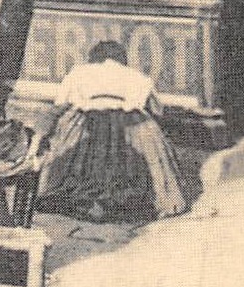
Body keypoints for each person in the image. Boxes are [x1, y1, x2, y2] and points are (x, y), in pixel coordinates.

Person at [33, 41, 191, 222]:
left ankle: (90, 198)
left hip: (89, 122)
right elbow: (157, 111)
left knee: (75, 151)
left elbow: (58, 107)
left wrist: (41, 137)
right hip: (132, 125)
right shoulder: (138, 77)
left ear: (93, 59)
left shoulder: (79, 73)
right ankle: (126, 200)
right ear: (122, 60)